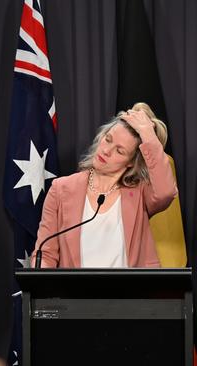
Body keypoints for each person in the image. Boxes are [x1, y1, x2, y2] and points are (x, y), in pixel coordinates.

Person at [31, 102, 177, 268]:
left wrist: (148, 134)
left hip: (130, 293)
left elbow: (166, 192)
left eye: (119, 151)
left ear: (130, 163)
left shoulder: (139, 193)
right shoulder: (61, 189)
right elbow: (45, 254)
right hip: (75, 293)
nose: (106, 151)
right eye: (108, 140)